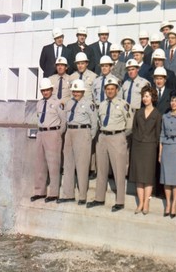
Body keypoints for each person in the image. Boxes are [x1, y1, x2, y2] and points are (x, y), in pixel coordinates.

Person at [87, 78, 134, 212]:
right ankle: (99, 198)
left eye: (112, 89)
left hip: (117, 137)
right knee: (101, 169)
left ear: (117, 90)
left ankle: (120, 201)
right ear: (105, 90)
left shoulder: (124, 104)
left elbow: (130, 124)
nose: (110, 91)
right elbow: (98, 121)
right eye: (107, 89)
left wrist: (121, 136)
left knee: (119, 170)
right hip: (103, 137)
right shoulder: (101, 105)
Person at [58, 79, 98, 205]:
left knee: (82, 165)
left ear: (83, 91)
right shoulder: (69, 103)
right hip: (70, 132)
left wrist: (88, 137)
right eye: (74, 91)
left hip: (82, 132)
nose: (75, 93)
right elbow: (64, 120)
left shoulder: (89, 104)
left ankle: (82, 196)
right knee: (68, 164)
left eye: (78, 91)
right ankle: (68, 194)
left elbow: (94, 123)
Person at [30, 78, 67, 203]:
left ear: (51, 89)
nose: (45, 92)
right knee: (39, 164)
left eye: (47, 90)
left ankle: (53, 193)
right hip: (41, 133)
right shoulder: (39, 103)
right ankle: (39, 191)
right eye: (43, 90)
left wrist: (57, 134)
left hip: (53, 133)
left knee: (53, 164)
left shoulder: (57, 103)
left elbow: (64, 121)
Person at [128, 86, 162, 215]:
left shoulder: (157, 114)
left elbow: (158, 133)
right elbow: (134, 129)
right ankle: (140, 202)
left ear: (152, 97)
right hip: (138, 146)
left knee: (147, 176)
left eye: (147, 96)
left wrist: (157, 149)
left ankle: (146, 202)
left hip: (150, 147)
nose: (145, 98)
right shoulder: (138, 112)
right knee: (138, 176)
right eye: (143, 96)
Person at [159, 91, 176, 218]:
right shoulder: (165, 116)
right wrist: (160, 153)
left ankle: (174, 203)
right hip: (166, 147)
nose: (173, 103)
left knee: (175, 179)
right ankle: (168, 204)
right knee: (166, 178)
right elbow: (162, 134)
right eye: (172, 100)